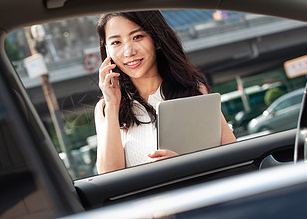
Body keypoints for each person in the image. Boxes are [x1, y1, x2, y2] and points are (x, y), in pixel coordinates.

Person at [95, 11, 236, 174]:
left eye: (137, 37)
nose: (128, 52)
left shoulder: (193, 91)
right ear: (107, 50)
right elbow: (107, 179)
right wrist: (112, 105)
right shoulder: (105, 109)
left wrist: (182, 165)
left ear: (157, 40)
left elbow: (232, 158)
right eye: (116, 42)